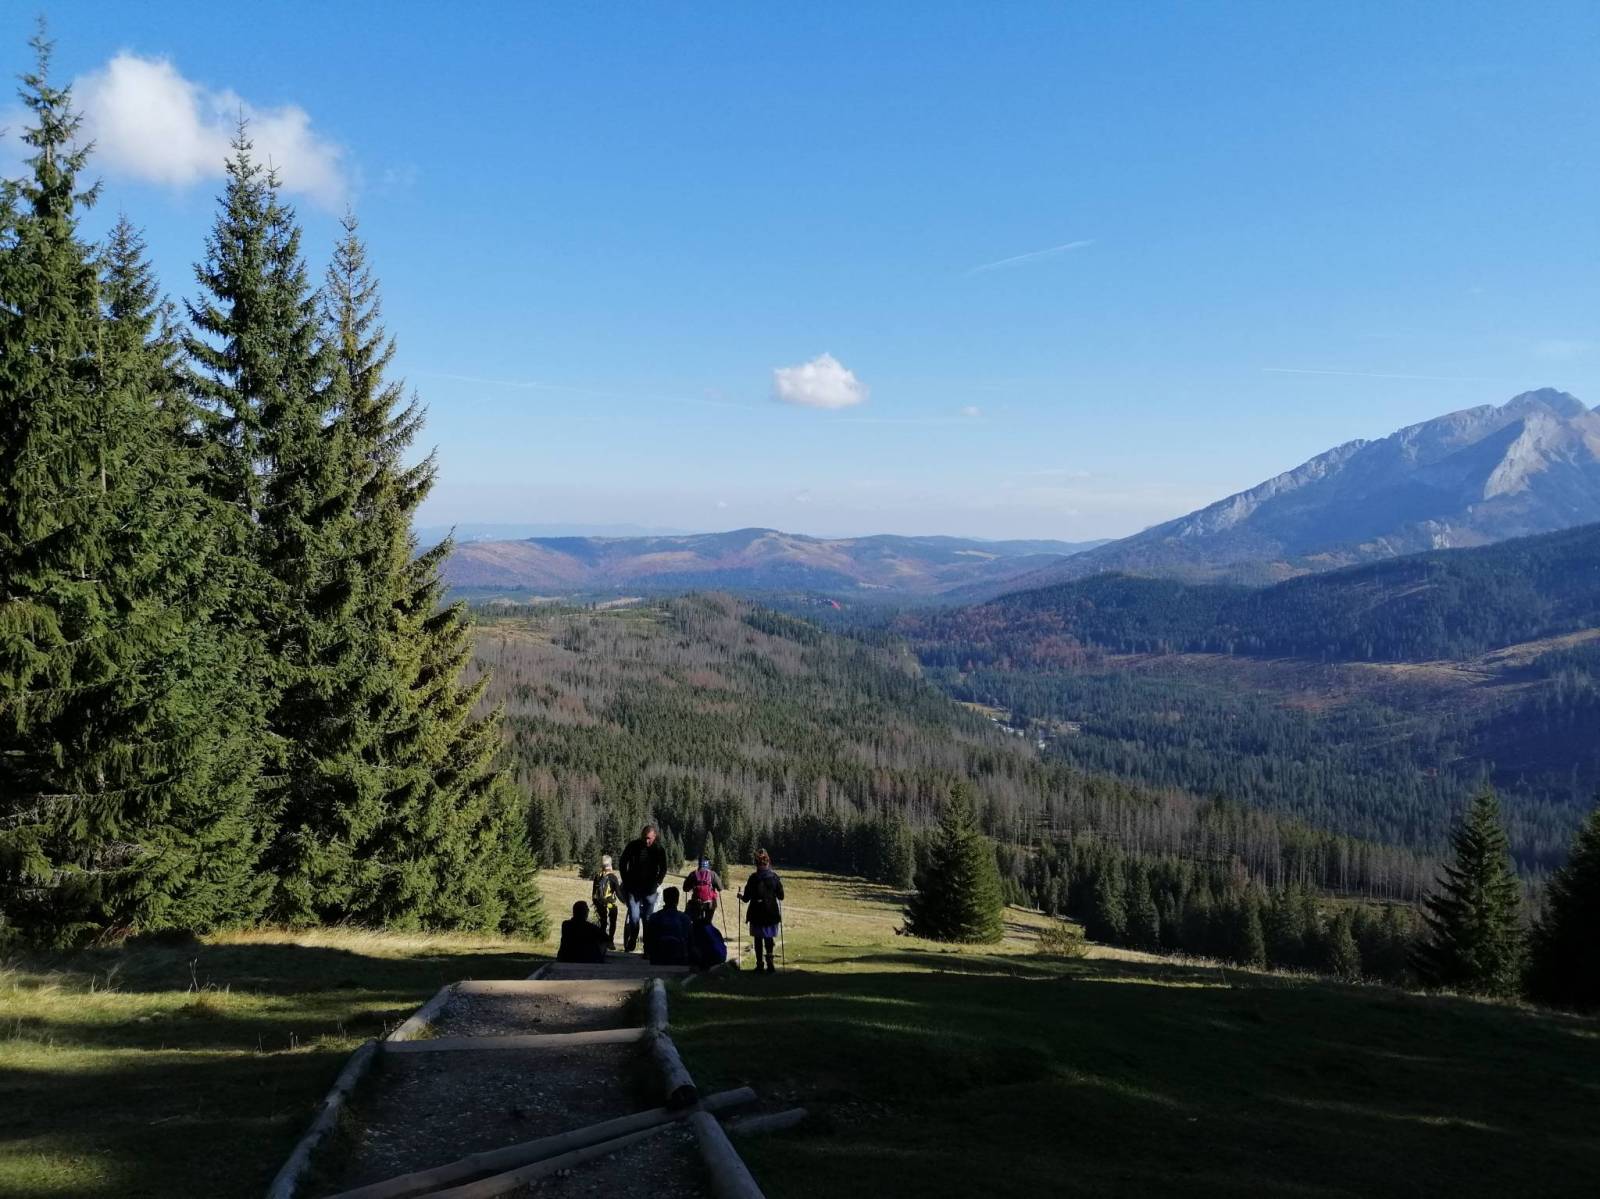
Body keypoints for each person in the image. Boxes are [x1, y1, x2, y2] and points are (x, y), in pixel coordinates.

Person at [619, 824, 668, 953]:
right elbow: (622, 862)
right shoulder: (633, 846)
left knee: (647, 919)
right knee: (634, 917)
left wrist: (658, 882)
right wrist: (625, 880)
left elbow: (663, 868)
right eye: (644, 838)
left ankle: (647, 947)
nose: (646, 841)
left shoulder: (659, 849)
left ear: (654, 837)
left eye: (649, 838)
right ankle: (633, 937)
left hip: (650, 890)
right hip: (633, 888)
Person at [740, 849, 785, 973]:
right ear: (768, 862)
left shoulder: (753, 878)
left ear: (756, 864)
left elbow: (746, 898)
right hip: (771, 913)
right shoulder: (774, 877)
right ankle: (770, 963)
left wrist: (740, 896)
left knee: (758, 939)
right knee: (769, 938)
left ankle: (759, 965)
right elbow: (781, 896)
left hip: (756, 913)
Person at [643, 886, 693, 966]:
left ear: (664, 899)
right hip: (679, 958)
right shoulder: (685, 918)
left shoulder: (654, 917)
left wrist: (648, 953)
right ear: (677, 900)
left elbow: (648, 939)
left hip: (658, 958)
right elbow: (690, 941)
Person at [591, 853, 622, 946]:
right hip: (610, 903)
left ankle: (601, 940)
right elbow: (618, 893)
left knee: (602, 922)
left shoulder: (598, 876)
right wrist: (625, 901)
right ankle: (610, 941)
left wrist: (595, 902)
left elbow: (594, 893)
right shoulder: (613, 877)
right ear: (610, 864)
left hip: (600, 903)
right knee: (613, 921)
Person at [682, 857, 723, 925]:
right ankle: (708, 927)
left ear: (699, 864)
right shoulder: (712, 874)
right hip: (710, 904)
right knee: (708, 922)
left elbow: (685, 889)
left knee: (696, 922)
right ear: (707, 864)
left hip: (696, 903)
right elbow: (720, 888)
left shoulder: (693, 874)